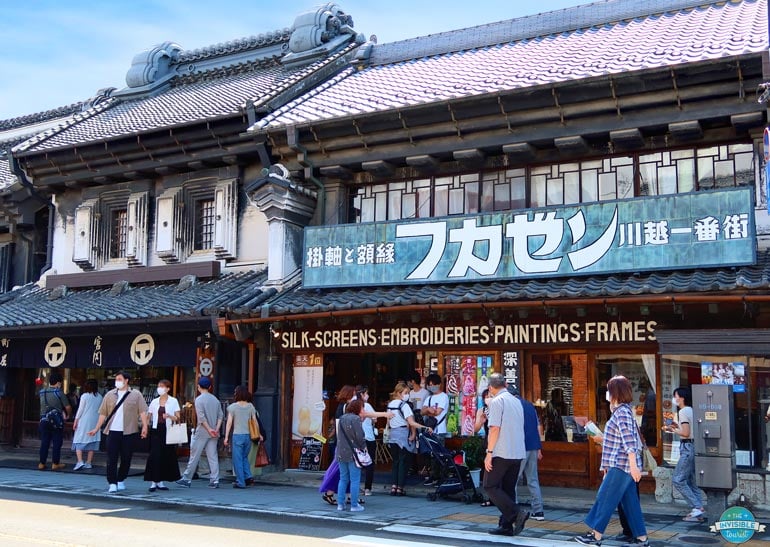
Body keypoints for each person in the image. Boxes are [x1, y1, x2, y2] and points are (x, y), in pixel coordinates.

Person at [575, 375, 649, 547]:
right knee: (630, 503)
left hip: (621, 465)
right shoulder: (624, 411)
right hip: (623, 465)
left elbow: (629, 441)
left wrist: (632, 466)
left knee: (605, 497)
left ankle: (595, 536)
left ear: (615, 392)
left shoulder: (621, 412)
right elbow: (617, 441)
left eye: (609, 390)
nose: (607, 393)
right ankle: (642, 539)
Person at [88, 371, 149, 493]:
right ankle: (112, 482)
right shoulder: (110, 395)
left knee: (126, 457)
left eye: (120, 379)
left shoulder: (136, 394)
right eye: (116, 379)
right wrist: (96, 428)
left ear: (126, 380)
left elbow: (143, 411)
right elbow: (103, 413)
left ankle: (121, 479)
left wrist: (145, 426)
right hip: (112, 431)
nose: (117, 381)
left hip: (129, 431)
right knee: (111, 458)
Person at [483, 373, 528, 537]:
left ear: (490, 388)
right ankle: (506, 525)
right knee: (508, 488)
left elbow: (494, 428)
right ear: (506, 385)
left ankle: (516, 513)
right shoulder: (516, 401)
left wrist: (489, 453)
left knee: (490, 485)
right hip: (517, 451)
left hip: (501, 451)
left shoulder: (497, 401)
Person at [665, 386, 705, 522]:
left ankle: (697, 507)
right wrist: (677, 427)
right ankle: (698, 513)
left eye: (676, 396)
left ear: (682, 397)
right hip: (693, 446)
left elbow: (686, 433)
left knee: (678, 479)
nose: (675, 398)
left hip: (687, 447)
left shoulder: (683, 411)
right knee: (691, 480)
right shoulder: (691, 410)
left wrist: (672, 429)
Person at [176, 376, 224, 489]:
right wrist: (215, 429)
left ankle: (187, 478)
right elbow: (221, 416)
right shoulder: (215, 400)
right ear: (210, 387)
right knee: (212, 456)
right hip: (214, 432)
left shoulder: (199, 400)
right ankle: (215, 480)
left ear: (198, 387)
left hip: (203, 431)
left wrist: (209, 429)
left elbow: (201, 418)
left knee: (194, 455)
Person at [387, 381, 432, 496]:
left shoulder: (390, 405)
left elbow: (388, 421)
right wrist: (425, 427)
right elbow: (411, 422)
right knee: (403, 461)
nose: (407, 395)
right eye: (406, 392)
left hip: (393, 434)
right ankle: (400, 487)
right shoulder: (404, 405)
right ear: (399, 393)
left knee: (395, 461)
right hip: (402, 434)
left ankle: (393, 486)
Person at [143, 379, 181, 492]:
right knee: (154, 455)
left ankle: (161, 481)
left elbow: (178, 417)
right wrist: (144, 426)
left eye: (162, 386)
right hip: (156, 430)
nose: (160, 388)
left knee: (165, 455)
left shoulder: (173, 401)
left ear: (168, 389)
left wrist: (169, 416)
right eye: (159, 386)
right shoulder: (154, 401)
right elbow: (149, 416)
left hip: (168, 430)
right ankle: (153, 482)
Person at [513, 388, 545, 521]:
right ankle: (538, 512)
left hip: (520, 447)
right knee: (533, 480)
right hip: (533, 445)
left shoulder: (513, 406)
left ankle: (513, 511)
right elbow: (538, 426)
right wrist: (539, 448)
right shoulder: (530, 405)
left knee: (512, 480)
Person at [224, 385, 262, 489]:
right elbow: (255, 421)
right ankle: (248, 477)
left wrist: (226, 437)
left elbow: (229, 423)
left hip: (237, 435)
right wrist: (258, 434)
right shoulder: (250, 406)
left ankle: (240, 482)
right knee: (244, 457)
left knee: (237, 459)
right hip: (248, 436)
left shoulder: (233, 407)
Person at [335, 399, 367, 512]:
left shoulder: (343, 418)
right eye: (362, 407)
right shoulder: (356, 419)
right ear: (358, 408)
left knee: (343, 479)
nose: (363, 410)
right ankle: (354, 505)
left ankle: (340, 504)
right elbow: (360, 437)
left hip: (341, 452)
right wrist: (364, 447)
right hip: (353, 453)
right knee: (354, 480)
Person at [38, 372, 71, 471]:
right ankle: (55, 463)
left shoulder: (42, 392)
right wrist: (68, 415)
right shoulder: (59, 392)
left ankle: (41, 463)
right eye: (60, 383)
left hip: (43, 420)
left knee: (44, 442)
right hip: (56, 421)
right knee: (57, 442)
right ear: (58, 383)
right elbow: (68, 407)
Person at [421, 373, 449, 486]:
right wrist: (429, 409)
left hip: (439, 429)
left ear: (439, 384)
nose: (431, 387)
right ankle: (433, 475)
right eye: (429, 385)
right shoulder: (429, 398)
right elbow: (422, 411)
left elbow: (437, 412)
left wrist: (428, 409)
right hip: (429, 429)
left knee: (440, 454)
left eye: (433, 384)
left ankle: (441, 476)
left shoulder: (444, 397)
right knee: (431, 454)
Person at [72, 378, 102, 470]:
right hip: (95, 421)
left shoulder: (85, 396)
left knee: (79, 439)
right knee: (92, 441)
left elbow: (80, 410)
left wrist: (76, 420)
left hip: (84, 420)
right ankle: (88, 462)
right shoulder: (100, 397)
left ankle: (80, 461)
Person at [474, 388, 494, 507]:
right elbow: (475, 429)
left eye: (490, 396)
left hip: (498, 442)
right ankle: (491, 497)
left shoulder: (499, 409)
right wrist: (481, 421)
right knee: (489, 469)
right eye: (486, 397)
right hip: (488, 440)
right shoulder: (482, 410)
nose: (488, 399)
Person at [357, 385, 377, 496]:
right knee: (369, 463)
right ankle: (367, 488)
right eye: (366, 393)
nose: (368, 396)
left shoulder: (352, 405)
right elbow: (375, 418)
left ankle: (356, 486)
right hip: (368, 437)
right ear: (362, 394)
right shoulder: (367, 405)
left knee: (356, 463)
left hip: (357, 438)